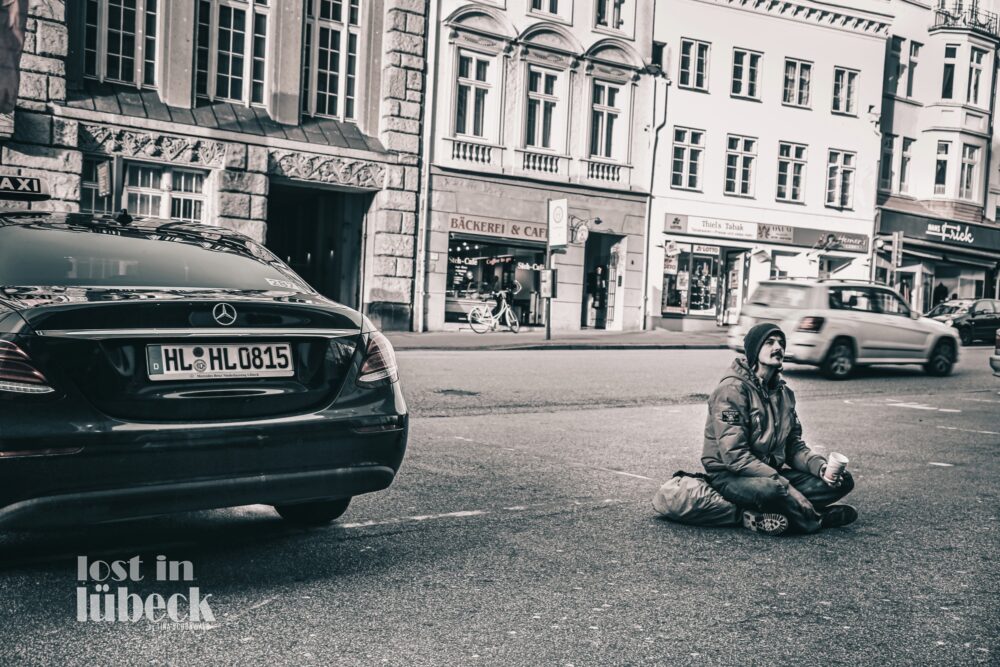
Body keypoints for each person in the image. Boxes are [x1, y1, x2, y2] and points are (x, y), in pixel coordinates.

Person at [702, 322, 857, 535]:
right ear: (755, 350)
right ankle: (816, 519)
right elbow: (735, 457)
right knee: (772, 490)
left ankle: (774, 510)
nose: (778, 348)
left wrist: (820, 468)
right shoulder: (731, 390)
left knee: (842, 481)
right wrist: (786, 486)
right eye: (770, 342)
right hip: (730, 476)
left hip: (770, 473)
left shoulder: (784, 394)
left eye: (781, 343)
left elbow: (793, 446)